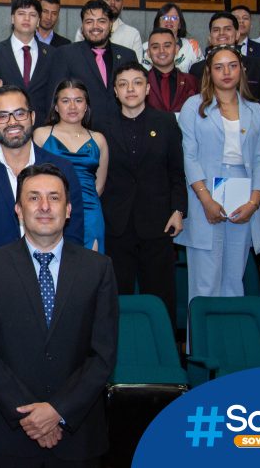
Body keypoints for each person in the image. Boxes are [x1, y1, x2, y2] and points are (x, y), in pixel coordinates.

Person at [0, 163, 118, 467]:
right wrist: (32, 416)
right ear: (19, 210)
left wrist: (58, 411)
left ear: (69, 209)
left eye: (54, 197)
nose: (45, 206)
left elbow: (103, 356)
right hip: (7, 432)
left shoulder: (98, 269)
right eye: (33, 198)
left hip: (76, 434)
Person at [0, 85, 85, 270]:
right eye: (2, 116)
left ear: (32, 117)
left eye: (19, 113)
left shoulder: (62, 168)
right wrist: (3, 280)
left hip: (53, 280)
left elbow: (74, 232)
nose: (12, 122)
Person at [177, 46, 260, 306]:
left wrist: (253, 203)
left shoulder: (256, 111)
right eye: (219, 67)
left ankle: (230, 343)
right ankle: (203, 346)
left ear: (242, 69)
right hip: (203, 192)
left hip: (243, 194)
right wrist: (206, 200)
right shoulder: (194, 106)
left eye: (232, 65)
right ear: (209, 72)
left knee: (233, 280)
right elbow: (189, 156)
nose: (226, 72)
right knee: (205, 283)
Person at [101, 64, 186, 326]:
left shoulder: (166, 122)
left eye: (137, 83)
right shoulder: (101, 125)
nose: (130, 89)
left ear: (147, 88)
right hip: (117, 223)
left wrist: (178, 210)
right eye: (123, 84)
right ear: (115, 91)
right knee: (117, 298)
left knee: (161, 297)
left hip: (158, 222)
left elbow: (177, 171)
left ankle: (165, 354)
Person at [33, 79, 108, 252]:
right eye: (65, 101)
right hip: (50, 210)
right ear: (56, 107)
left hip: (90, 212)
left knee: (90, 270)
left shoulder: (99, 139)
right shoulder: (41, 135)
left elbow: (100, 186)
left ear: (86, 106)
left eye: (79, 100)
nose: (72, 106)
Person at [48, 0, 137, 129]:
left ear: (110, 24)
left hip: (122, 131)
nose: (95, 26)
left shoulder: (127, 55)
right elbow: (54, 97)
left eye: (101, 21)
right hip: (80, 133)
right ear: (82, 26)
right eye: (89, 22)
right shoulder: (66, 54)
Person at [189, 12, 260, 127]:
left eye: (227, 29)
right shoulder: (197, 69)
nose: (222, 33)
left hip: (251, 129)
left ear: (237, 35)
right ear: (210, 38)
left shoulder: (257, 66)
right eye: (216, 30)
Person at [0, 0, 56, 125]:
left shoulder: (52, 54)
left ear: (38, 21)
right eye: (21, 14)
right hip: (6, 125)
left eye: (32, 15)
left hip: (43, 127)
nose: (27, 19)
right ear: (12, 18)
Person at [75, 0, 143, 61]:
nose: (112, 3)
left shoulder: (133, 33)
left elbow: (137, 66)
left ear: (122, 6)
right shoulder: (85, 31)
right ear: (100, 3)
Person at [144, 27, 199, 113]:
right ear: (148, 53)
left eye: (167, 46)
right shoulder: (142, 82)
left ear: (176, 49)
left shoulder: (192, 81)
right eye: (155, 47)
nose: (161, 51)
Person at [139, 3, 203, 73]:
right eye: (165, 18)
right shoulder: (144, 48)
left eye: (174, 18)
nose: (169, 21)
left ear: (180, 25)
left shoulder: (192, 46)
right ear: (158, 23)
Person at [230, 5, 260, 71]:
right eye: (236, 18)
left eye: (245, 18)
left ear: (251, 24)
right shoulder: (220, 49)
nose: (241, 21)